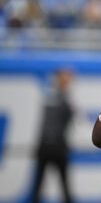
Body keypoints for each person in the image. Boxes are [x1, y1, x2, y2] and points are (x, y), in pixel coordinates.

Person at [31, 68, 74, 203]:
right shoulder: (64, 99)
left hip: (45, 145)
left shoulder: (48, 96)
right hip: (57, 146)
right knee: (64, 184)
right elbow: (69, 118)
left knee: (39, 184)